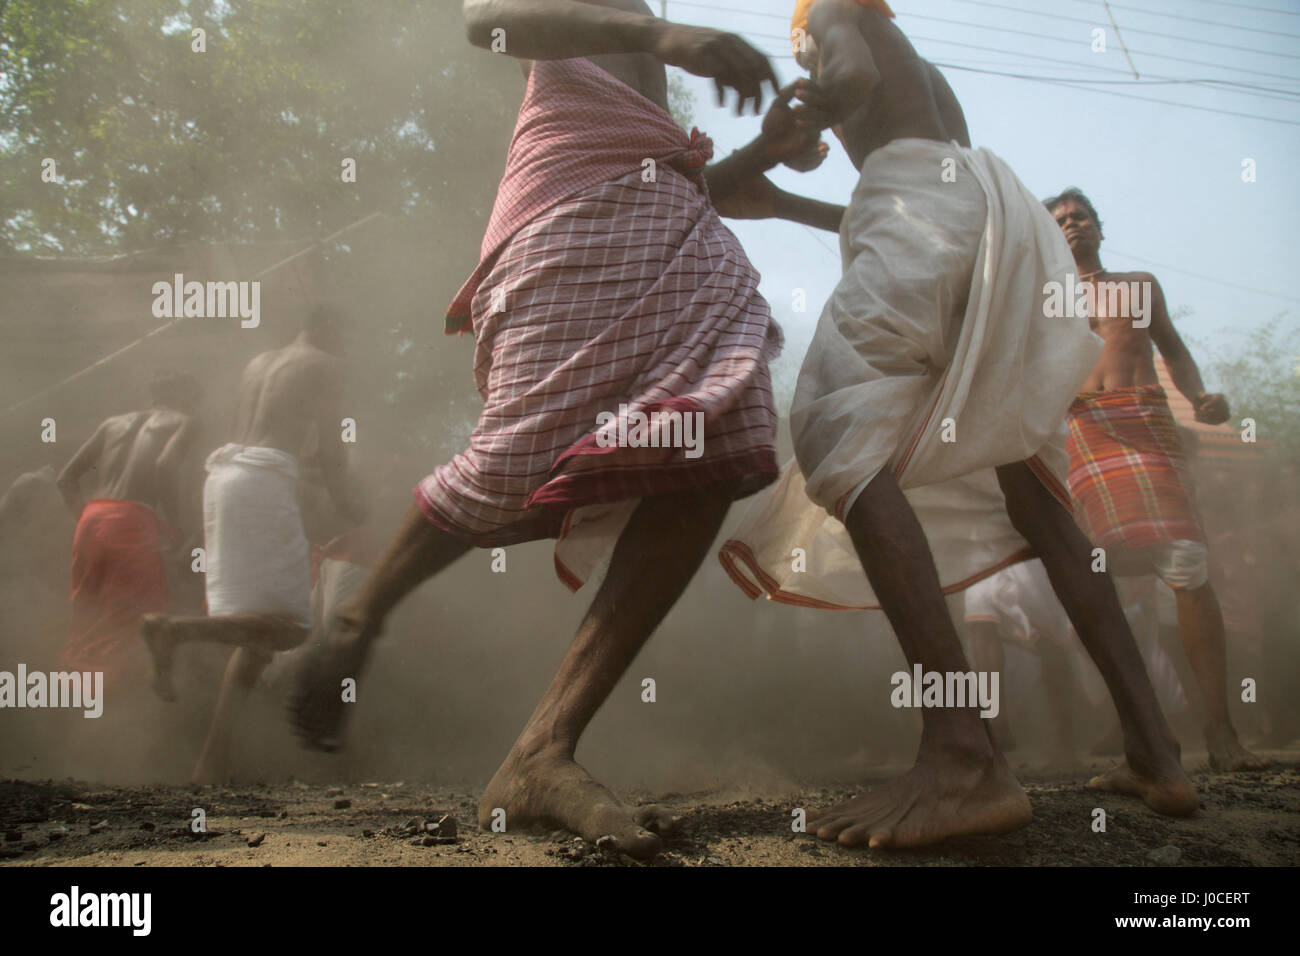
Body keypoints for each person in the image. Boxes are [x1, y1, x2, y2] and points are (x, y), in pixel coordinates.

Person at [285, 0, 834, 860]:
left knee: (712, 446)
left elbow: (670, 179)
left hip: (668, 234)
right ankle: (360, 618)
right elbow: (487, 21)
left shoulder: (641, 20)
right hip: (566, 219)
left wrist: (769, 159)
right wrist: (665, 39)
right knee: (516, 458)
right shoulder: (629, 24)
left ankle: (543, 749)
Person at [719, 0, 1196, 848]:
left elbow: (857, 94)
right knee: (1032, 485)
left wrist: (798, 124)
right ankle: (1157, 752)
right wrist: (789, 204)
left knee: (834, 435)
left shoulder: (831, 12)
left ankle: (962, 756)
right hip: (999, 221)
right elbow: (921, 204)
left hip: (928, 213)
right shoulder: (925, 86)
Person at [1045, 186, 1269, 771]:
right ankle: (1138, 728)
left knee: (1187, 565)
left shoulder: (1137, 286)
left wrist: (1199, 397)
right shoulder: (1043, 298)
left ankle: (1222, 735)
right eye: (1061, 220)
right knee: (1099, 577)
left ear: (1099, 225)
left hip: (1144, 421)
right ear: (1049, 236)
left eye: (1080, 215)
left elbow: (1173, 350)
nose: (1072, 224)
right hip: (1082, 433)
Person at [141, 304, 366, 784]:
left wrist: (200, 533)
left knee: (253, 640)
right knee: (291, 628)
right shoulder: (327, 365)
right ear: (330, 327)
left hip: (223, 478)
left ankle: (209, 765)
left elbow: (250, 439)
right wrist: (355, 506)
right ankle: (174, 630)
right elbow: (331, 452)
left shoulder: (259, 362)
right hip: (262, 481)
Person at [56, 370, 201, 688]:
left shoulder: (112, 423)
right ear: (185, 396)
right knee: (137, 617)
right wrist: (177, 527)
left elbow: (64, 479)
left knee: (87, 612)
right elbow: (165, 464)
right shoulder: (184, 421)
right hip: (133, 522)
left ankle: (72, 697)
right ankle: (117, 700)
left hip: (92, 519)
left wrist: (93, 522)